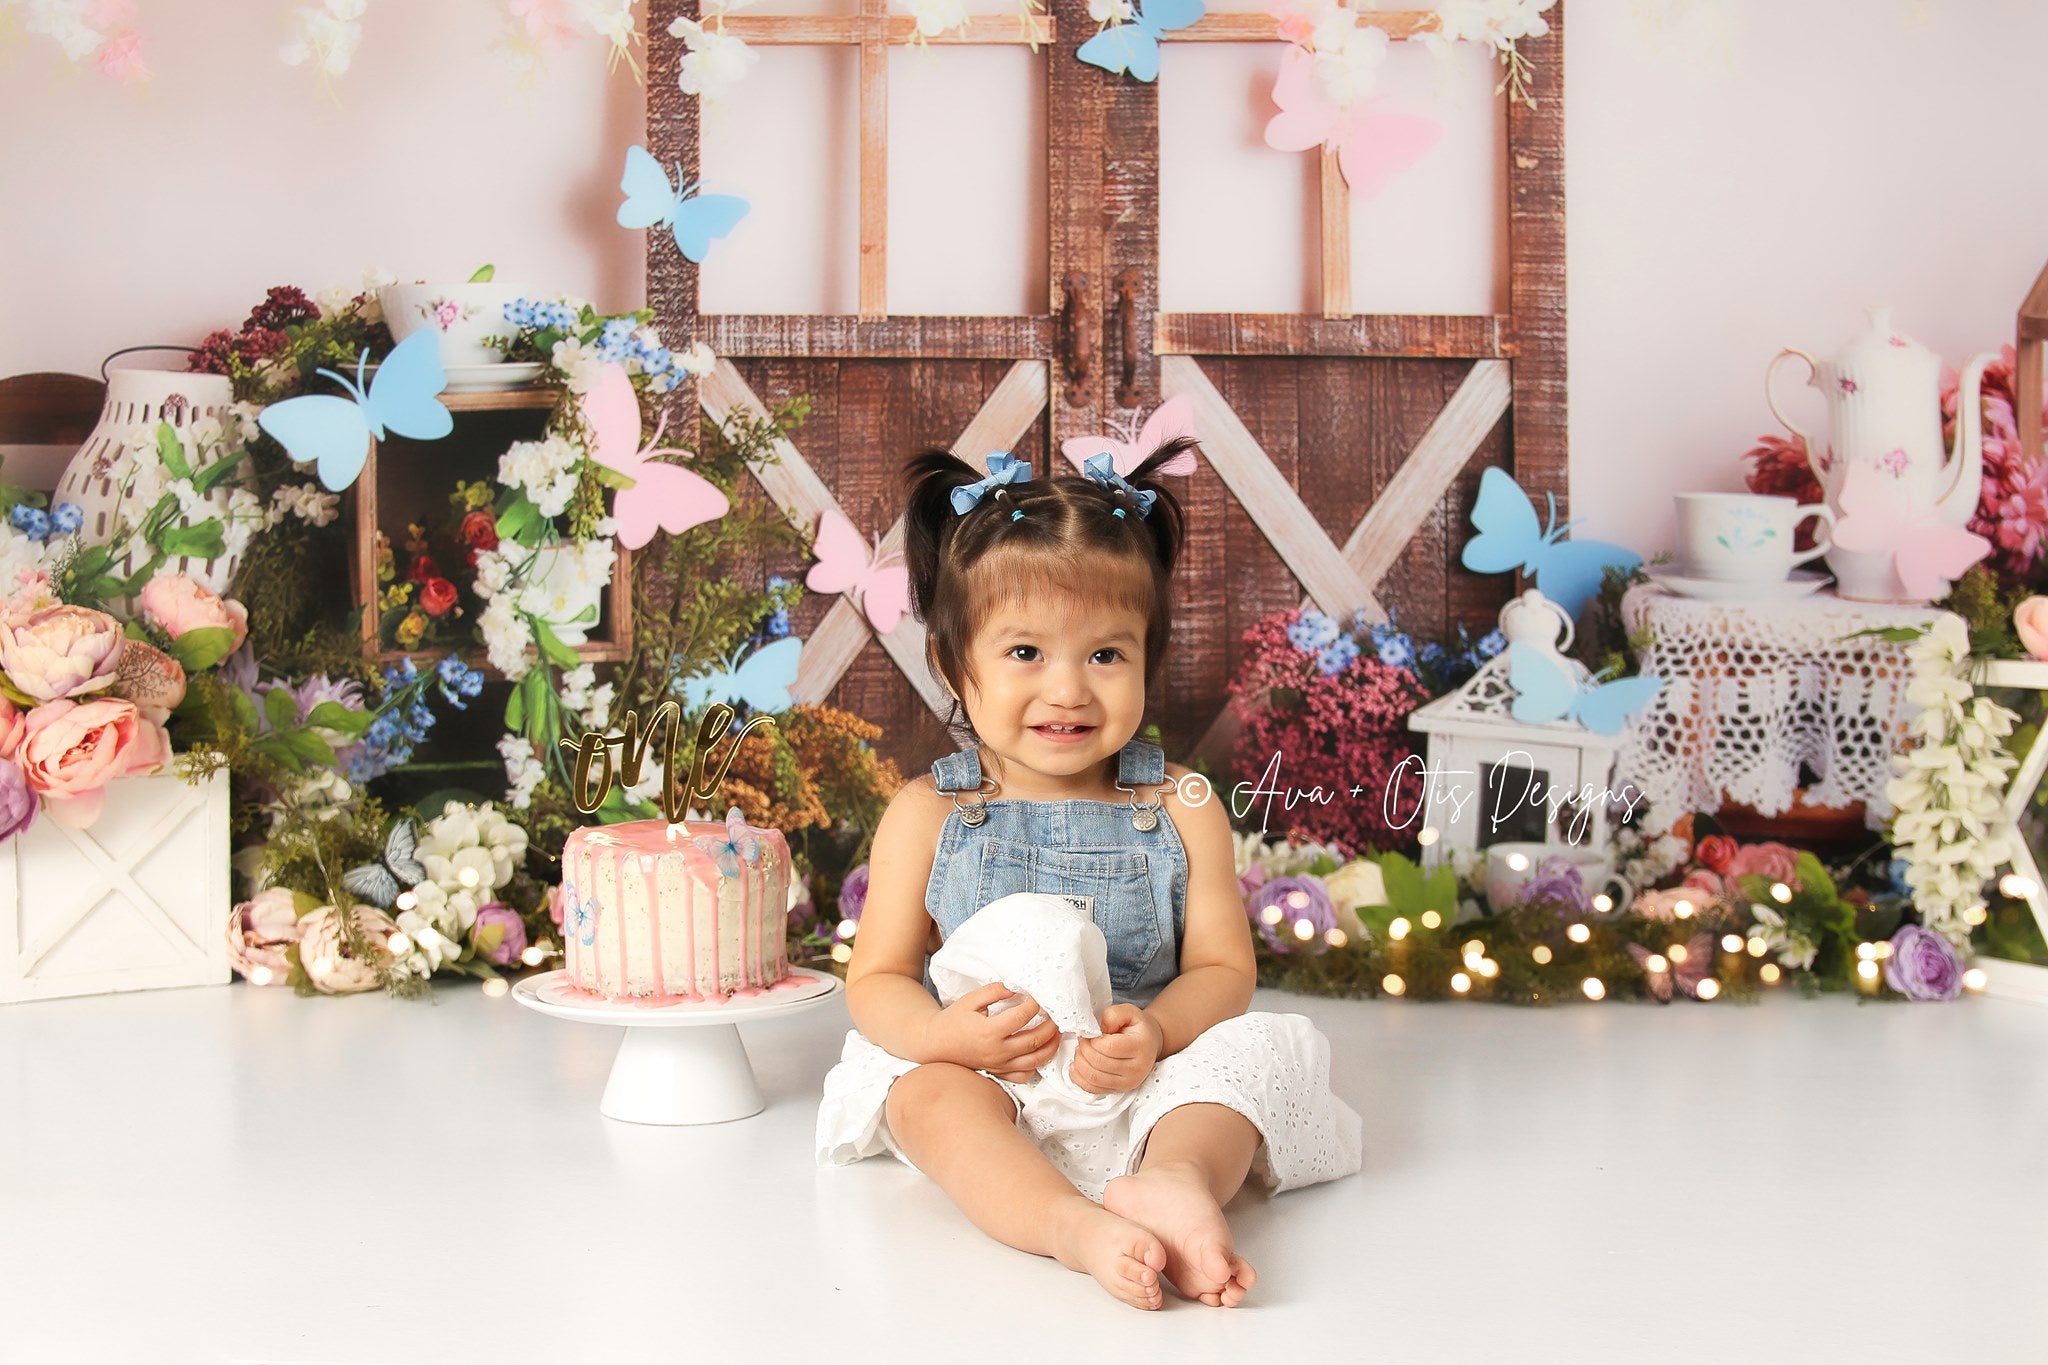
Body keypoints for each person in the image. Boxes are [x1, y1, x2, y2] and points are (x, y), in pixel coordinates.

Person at [814, 442, 1363, 1311]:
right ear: (960, 669)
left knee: (1253, 1057)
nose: (1068, 689)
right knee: (924, 1098)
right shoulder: (928, 813)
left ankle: (1173, 1176)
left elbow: (1225, 971)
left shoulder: (1182, 803)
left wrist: (1155, 1029)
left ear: (1148, 657)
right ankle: (1068, 1224)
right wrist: (944, 1037)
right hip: (992, 1074)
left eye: (1106, 655)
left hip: (1144, 1073)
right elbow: (875, 979)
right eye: (1026, 652)